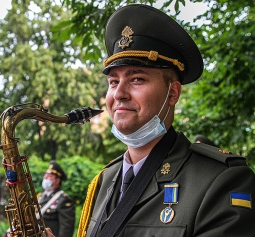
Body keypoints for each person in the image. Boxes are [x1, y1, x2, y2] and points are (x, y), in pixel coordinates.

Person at [76, 4, 255, 237]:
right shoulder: (104, 180)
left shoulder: (222, 180)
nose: (119, 93)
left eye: (137, 79)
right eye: (113, 82)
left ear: (172, 94)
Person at [38, 161, 75, 237]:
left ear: (57, 180)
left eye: (49, 176)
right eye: (45, 175)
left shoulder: (64, 200)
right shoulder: (40, 196)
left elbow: (66, 229)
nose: (45, 178)